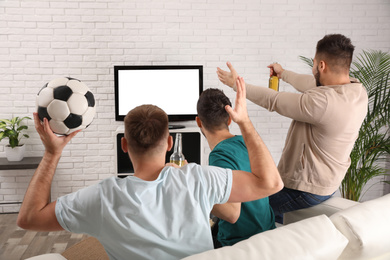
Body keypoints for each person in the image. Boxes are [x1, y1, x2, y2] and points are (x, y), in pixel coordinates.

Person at [17, 77, 283, 260]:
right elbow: (271, 183)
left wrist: (53, 153)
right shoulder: (199, 178)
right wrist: (245, 122)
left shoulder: (101, 197)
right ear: (169, 143)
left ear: (124, 145)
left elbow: (29, 218)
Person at [217, 34, 368, 223]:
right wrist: (283, 73)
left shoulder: (323, 103)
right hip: (327, 182)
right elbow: (311, 83)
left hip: (305, 189)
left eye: (314, 65)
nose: (313, 70)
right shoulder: (357, 91)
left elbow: (274, 100)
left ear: (321, 65)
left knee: (245, 212)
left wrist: (236, 85)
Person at [196, 88, 276, 247]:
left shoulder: (219, 155)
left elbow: (232, 213)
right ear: (230, 120)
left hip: (240, 243)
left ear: (199, 122)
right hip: (268, 232)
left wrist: (193, 186)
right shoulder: (247, 141)